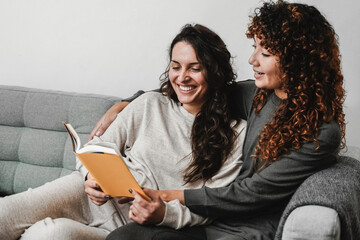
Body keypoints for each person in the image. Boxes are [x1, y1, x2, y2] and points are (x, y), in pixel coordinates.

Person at [102, 1, 346, 240]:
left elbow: (251, 193)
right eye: (255, 47)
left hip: (245, 230)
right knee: (125, 235)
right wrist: (129, 101)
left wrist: (166, 195)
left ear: (297, 60)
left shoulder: (322, 132)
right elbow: (197, 86)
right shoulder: (258, 95)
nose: (252, 60)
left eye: (266, 52)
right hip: (209, 220)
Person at [0, 24, 246, 240]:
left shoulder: (236, 134)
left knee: (48, 235)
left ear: (214, 72)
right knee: (5, 214)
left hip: (133, 227)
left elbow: (214, 204)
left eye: (194, 68)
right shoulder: (151, 103)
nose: (182, 77)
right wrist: (89, 177)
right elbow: (100, 145)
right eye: (175, 66)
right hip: (88, 195)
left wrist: (164, 214)